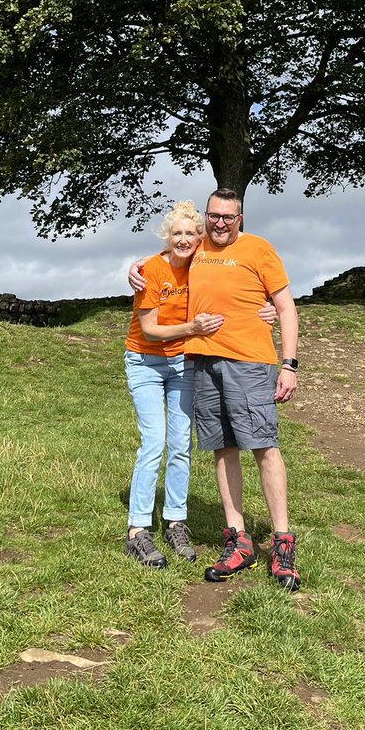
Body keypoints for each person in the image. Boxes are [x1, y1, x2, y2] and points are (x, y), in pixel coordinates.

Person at [131, 188, 301, 591]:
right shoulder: (198, 246)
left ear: (240, 218)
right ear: (206, 217)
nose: (220, 223)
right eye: (214, 216)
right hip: (202, 362)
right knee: (222, 448)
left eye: (228, 217)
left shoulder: (259, 249)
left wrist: (289, 364)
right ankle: (237, 540)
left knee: (263, 445)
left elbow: (285, 306)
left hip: (249, 362)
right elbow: (168, 254)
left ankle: (281, 543)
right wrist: (137, 264)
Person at [122, 200, 224, 569]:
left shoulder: (203, 266)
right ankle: (137, 530)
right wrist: (192, 329)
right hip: (145, 362)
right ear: (167, 238)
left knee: (180, 443)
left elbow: (239, 276)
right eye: (176, 233)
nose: (183, 240)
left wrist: (267, 307)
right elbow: (150, 329)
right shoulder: (150, 269)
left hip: (184, 364)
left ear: (200, 239)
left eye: (190, 234)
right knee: (153, 442)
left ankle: (175, 522)